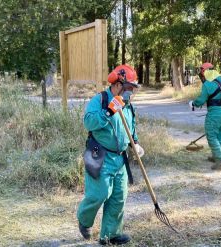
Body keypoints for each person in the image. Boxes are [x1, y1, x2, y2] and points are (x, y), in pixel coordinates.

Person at [77, 64, 144, 245]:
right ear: (117, 83)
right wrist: (109, 111)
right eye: (129, 87)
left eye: (133, 88)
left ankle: (110, 235)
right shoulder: (100, 100)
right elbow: (89, 122)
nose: (131, 91)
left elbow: (131, 127)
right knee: (99, 194)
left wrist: (135, 143)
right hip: (99, 155)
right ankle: (84, 220)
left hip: (120, 158)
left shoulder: (128, 105)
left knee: (118, 196)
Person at [189, 63, 221, 170]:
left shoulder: (208, 84)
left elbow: (201, 100)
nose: (201, 75)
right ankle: (216, 156)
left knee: (211, 136)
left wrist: (193, 104)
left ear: (205, 71)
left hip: (214, 113)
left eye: (202, 72)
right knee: (220, 136)